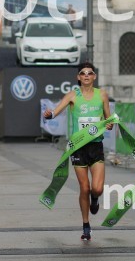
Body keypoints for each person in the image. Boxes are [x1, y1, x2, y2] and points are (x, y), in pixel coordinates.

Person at [43, 62, 113, 241]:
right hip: (78, 146)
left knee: (96, 188)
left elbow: (108, 118)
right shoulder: (73, 95)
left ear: (94, 77)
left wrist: (110, 124)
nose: (87, 76)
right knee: (84, 187)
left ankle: (95, 199)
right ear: (78, 77)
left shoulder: (102, 95)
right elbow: (56, 111)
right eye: (83, 73)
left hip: (96, 145)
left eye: (90, 73)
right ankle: (86, 225)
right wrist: (49, 114)